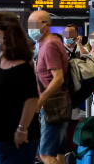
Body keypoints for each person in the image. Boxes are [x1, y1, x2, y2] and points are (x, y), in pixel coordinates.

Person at [0, 12, 40, 164]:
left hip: (10, 142)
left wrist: (22, 129)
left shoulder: (21, 68)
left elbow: (31, 100)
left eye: (1, 38)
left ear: (12, 40)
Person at [28, 10, 69, 164]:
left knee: (45, 155)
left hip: (53, 107)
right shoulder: (46, 44)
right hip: (58, 105)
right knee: (58, 154)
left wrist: (40, 101)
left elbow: (58, 78)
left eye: (34, 25)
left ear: (46, 26)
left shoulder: (50, 45)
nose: (31, 29)